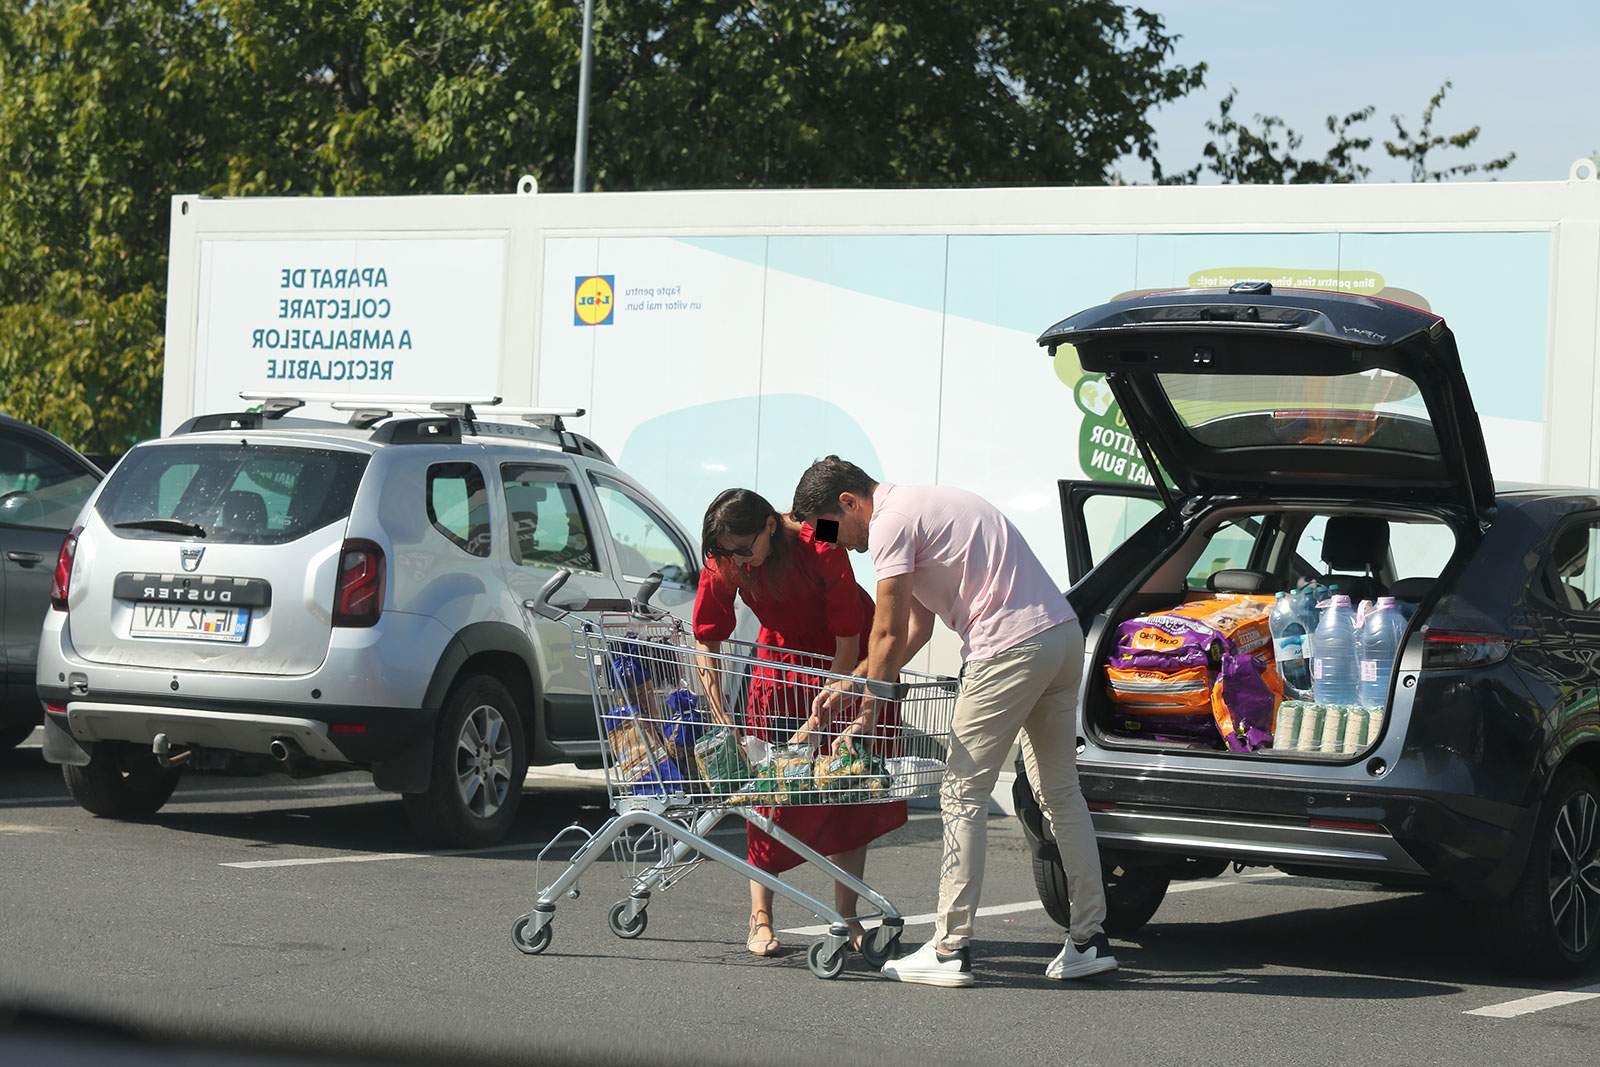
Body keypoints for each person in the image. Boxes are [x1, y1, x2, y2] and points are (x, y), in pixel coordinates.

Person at [793, 457, 1115, 988]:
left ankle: (949, 949)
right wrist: (854, 680)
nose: (838, 543)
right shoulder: (927, 506)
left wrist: (869, 709)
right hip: (1059, 637)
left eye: (833, 528)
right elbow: (917, 627)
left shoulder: (890, 522)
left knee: (961, 792)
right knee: (1060, 793)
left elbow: (888, 630)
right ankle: (1088, 938)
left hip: (1006, 649)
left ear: (850, 502)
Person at [693, 488, 908, 957]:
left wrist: (827, 708)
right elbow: (707, 638)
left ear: (771, 524)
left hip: (845, 662)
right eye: (729, 554)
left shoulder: (821, 536)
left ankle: (846, 914)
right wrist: (719, 710)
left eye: (746, 550)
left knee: (849, 789)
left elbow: (849, 638)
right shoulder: (728, 554)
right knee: (767, 790)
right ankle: (761, 916)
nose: (740, 563)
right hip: (781, 665)